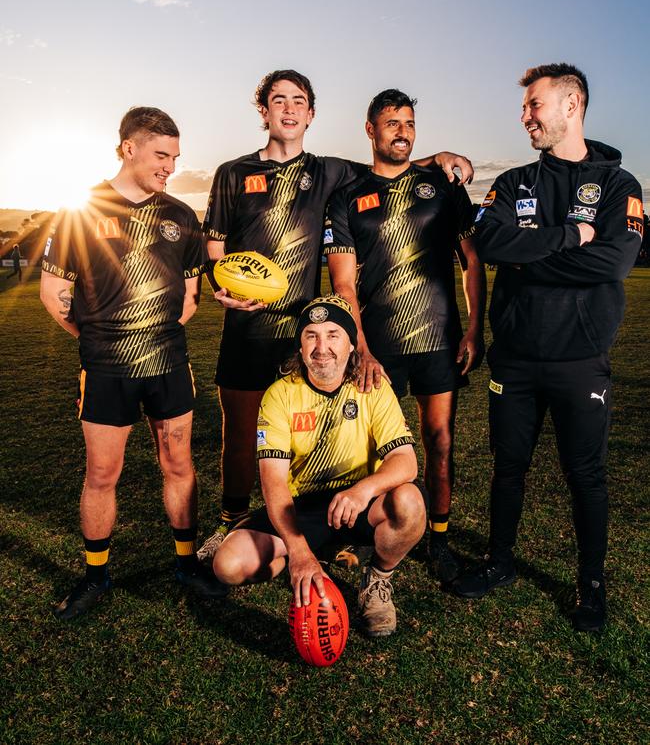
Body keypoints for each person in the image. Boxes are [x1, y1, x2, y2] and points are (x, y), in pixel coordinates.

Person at [198, 70, 475, 559]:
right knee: (240, 438)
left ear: (311, 113)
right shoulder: (232, 173)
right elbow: (214, 251)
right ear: (263, 110)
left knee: (328, 434)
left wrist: (441, 158)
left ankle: (337, 526)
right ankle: (231, 523)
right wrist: (222, 283)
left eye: (298, 101)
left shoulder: (330, 171)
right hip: (247, 329)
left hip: (308, 336)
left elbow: (394, 162)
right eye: (278, 100)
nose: (288, 109)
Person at [454, 64, 644, 632]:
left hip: (581, 358)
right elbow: (487, 240)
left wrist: (530, 254)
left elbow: (615, 261)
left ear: (571, 104)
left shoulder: (618, 185)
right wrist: (566, 237)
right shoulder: (514, 182)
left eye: (534, 104)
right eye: (525, 107)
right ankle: (499, 561)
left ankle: (591, 582)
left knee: (585, 473)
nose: (525, 116)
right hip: (515, 356)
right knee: (507, 467)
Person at [40, 106, 225, 621]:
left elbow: (189, 297)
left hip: (168, 362)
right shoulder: (80, 211)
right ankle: (95, 576)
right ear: (129, 148)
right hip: (105, 367)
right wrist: (101, 338)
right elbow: (53, 291)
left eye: (175, 156)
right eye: (161, 155)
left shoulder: (180, 216)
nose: (170, 165)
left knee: (178, 463)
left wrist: (153, 334)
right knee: (102, 473)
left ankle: (186, 565)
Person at [325, 89, 485, 585]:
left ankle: (438, 540)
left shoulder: (441, 184)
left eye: (409, 122)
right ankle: (366, 535)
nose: (403, 131)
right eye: (392, 123)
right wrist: (363, 349)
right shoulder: (349, 195)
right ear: (370, 130)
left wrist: (476, 327)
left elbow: (472, 260)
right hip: (382, 347)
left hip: (440, 337)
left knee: (439, 441)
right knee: (370, 448)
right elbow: (344, 284)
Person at [210, 295, 426, 637]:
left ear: (352, 344)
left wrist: (362, 491)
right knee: (228, 566)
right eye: (311, 335)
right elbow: (274, 483)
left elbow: (406, 462)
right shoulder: (279, 394)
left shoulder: (373, 386)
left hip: (358, 506)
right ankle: (314, 552)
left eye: (333, 334)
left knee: (410, 503)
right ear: (300, 344)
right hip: (302, 508)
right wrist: (297, 551)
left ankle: (378, 579)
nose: (321, 346)